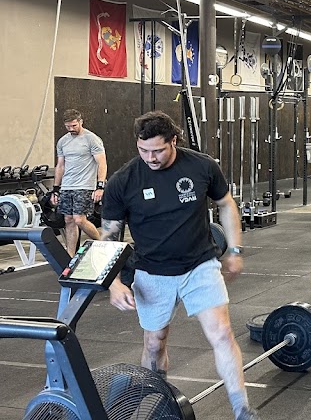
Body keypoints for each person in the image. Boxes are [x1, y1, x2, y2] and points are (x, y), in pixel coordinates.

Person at [100, 111, 258, 420]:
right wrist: (113, 283)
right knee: (154, 343)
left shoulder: (201, 166)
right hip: (152, 271)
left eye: (158, 150)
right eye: (143, 150)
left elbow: (226, 203)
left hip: (200, 265)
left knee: (222, 333)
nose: (151, 158)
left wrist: (235, 249)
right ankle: (155, 405)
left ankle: (242, 409)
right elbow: (109, 237)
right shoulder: (124, 181)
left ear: (174, 140)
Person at [52, 109, 106, 256]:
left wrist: (100, 186)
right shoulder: (63, 141)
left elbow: (102, 163)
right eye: (68, 126)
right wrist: (56, 188)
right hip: (67, 186)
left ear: (81, 122)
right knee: (68, 220)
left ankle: (104, 245)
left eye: (74, 125)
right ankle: (70, 256)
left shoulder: (92, 139)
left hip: (85, 185)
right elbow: (60, 165)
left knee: (79, 219)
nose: (71, 129)